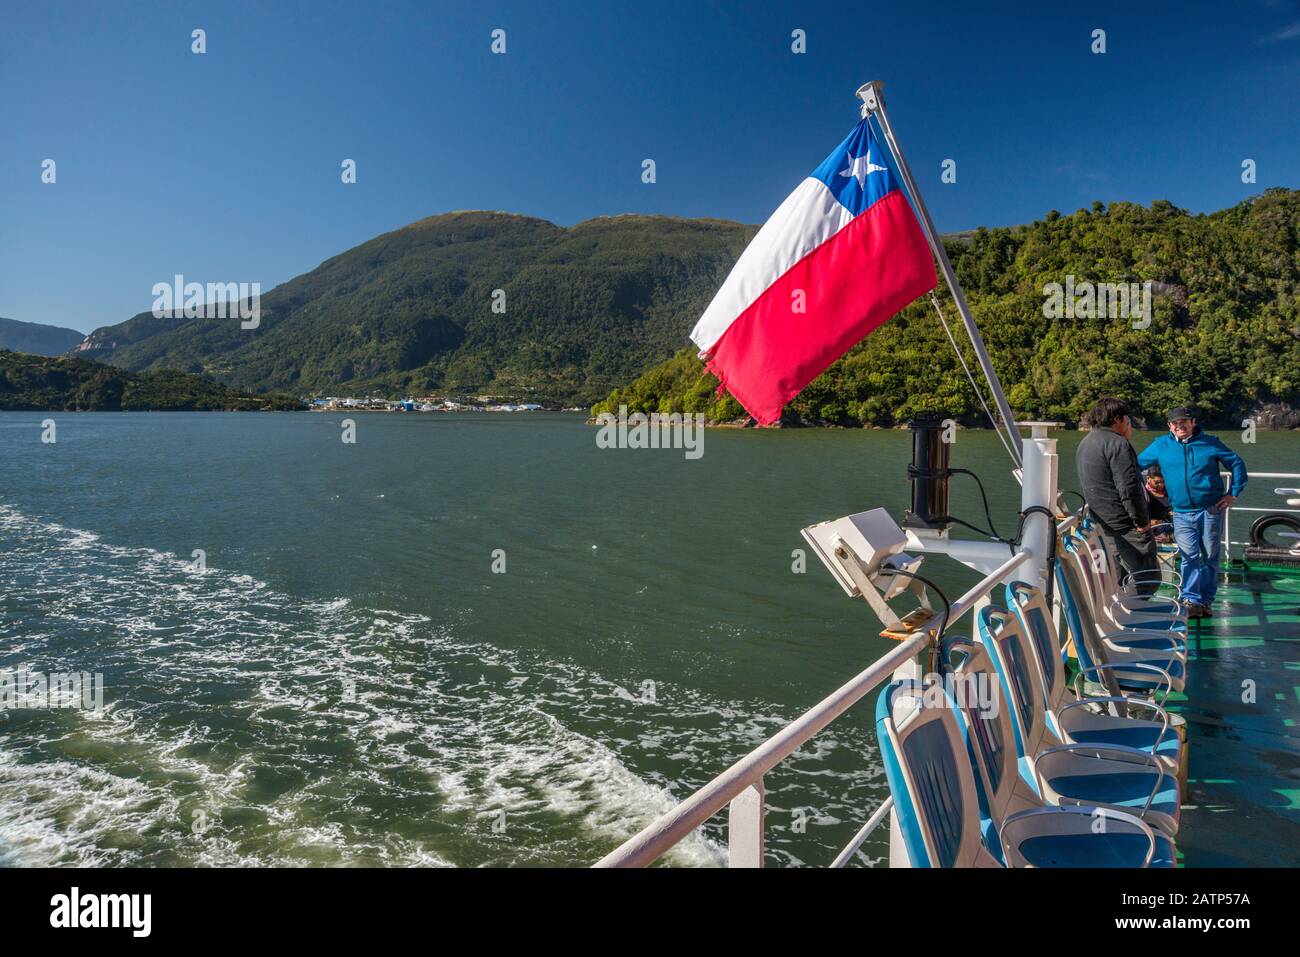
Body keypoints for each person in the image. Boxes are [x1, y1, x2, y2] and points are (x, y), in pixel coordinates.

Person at [1137, 406, 1248, 618]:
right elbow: (1135, 464)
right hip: (1180, 512)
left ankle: (1206, 600)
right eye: (1175, 423)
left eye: (1184, 422)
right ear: (1169, 426)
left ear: (1193, 422)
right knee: (1189, 556)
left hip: (1211, 509)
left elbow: (1237, 464)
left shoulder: (1210, 443)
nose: (1180, 426)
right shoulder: (1161, 445)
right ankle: (1191, 600)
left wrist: (1233, 493)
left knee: (1210, 556)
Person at [1076, 397, 1159, 596]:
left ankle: (1119, 612)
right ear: (1117, 419)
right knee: (1149, 577)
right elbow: (1129, 488)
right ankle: (1133, 615)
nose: (1129, 424)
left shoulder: (1086, 443)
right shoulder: (1118, 444)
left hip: (1101, 521)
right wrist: (1142, 523)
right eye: (1127, 419)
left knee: (1116, 576)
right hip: (1124, 524)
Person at [1143, 464, 1175, 543]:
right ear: (1148, 479)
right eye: (1157, 482)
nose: (1161, 485)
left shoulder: (1168, 490)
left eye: (1163, 481)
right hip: (1155, 528)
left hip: (1171, 524)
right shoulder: (1143, 494)